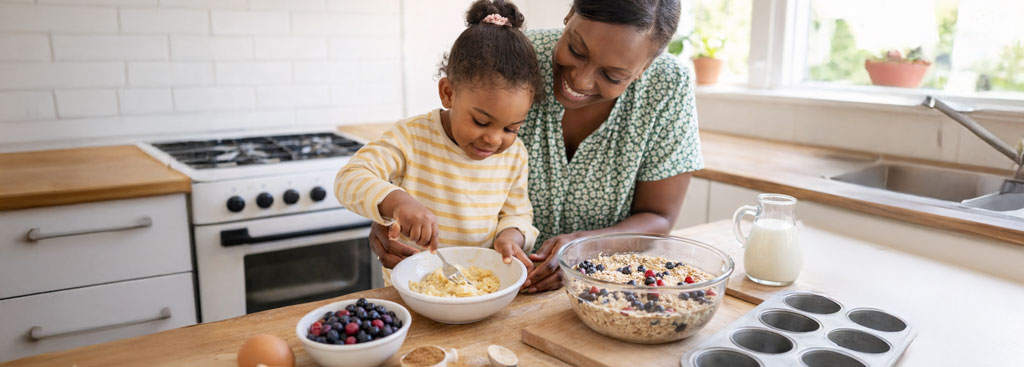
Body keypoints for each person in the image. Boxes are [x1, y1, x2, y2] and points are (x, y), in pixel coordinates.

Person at [368, 0, 701, 294]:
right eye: (577, 50)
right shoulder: (516, 56)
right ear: (569, 14)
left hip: (602, 288)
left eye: (613, 76)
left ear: (644, 69)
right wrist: (392, 209)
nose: (581, 81)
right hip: (486, 285)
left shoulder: (668, 88)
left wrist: (582, 248)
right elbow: (439, 153)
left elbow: (659, 218)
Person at [335, 0, 544, 271]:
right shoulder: (411, 137)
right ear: (448, 93)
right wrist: (397, 202)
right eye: (481, 121)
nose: (494, 139)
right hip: (414, 287)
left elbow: (518, 212)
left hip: (479, 288)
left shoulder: (515, 154)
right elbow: (349, 177)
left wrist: (511, 236)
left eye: (511, 128)